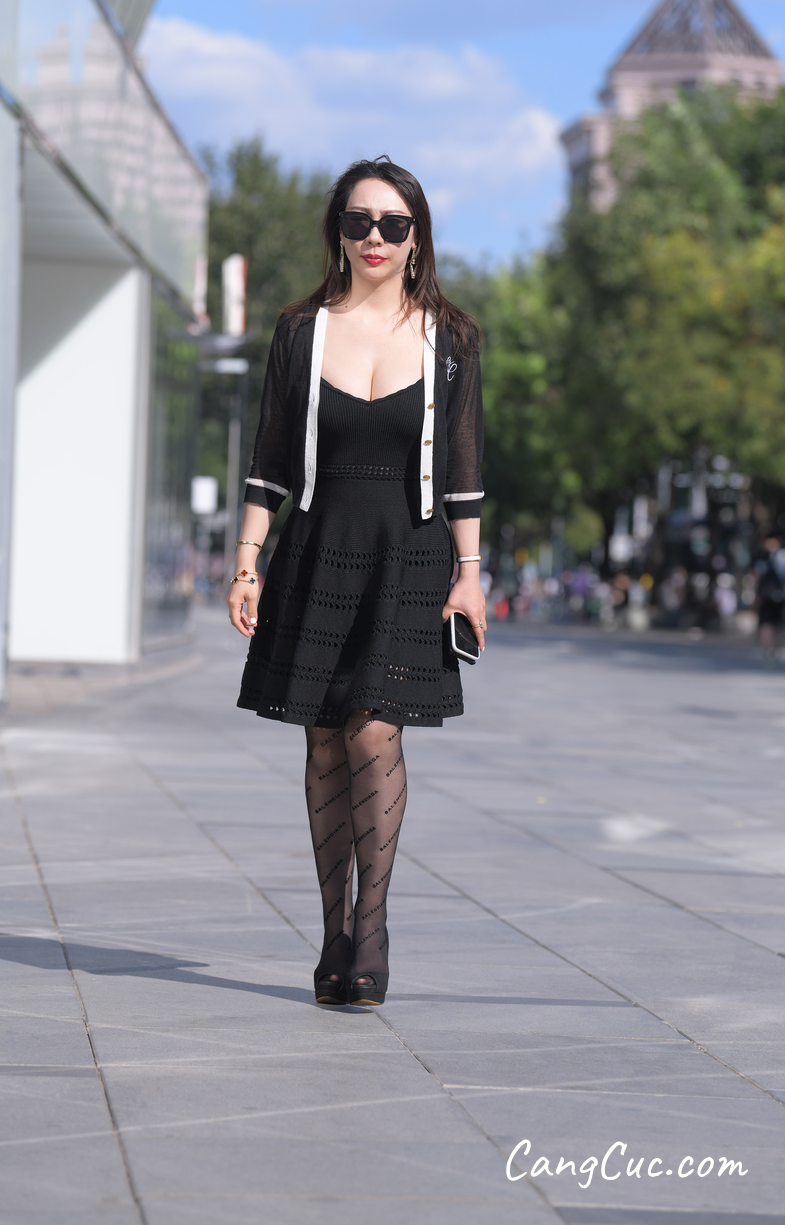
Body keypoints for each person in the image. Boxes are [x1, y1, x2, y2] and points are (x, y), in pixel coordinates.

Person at [226, 157, 486, 1008]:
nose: (374, 237)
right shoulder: (300, 332)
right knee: (324, 739)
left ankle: (370, 929)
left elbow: (462, 470)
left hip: (408, 559)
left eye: (393, 224)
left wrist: (470, 575)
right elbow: (269, 460)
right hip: (317, 548)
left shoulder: (451, 339)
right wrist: (247, 561)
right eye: (358, 221)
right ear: (337, 233)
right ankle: (333, 931)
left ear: (416, 239)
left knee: (374, 730)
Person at [755, 535, 785, 664]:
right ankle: (773, 650)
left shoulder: (761, 558)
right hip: (778, 596)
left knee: (768, 624)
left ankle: (768, 651)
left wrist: (756, 594)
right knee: (774, 624)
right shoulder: (784, 556)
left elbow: (756, 576)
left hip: (766, 596)